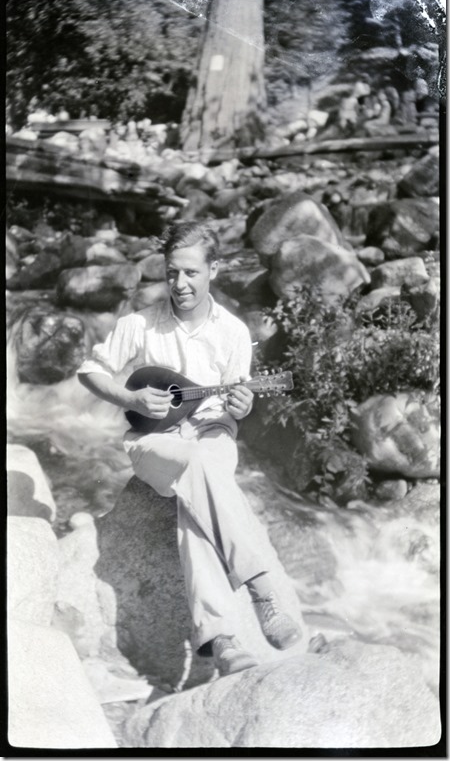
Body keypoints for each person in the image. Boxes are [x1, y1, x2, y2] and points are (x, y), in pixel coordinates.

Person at [77, 221, 302, 676]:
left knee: (195, 488)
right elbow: (89, 370)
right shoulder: (140, 324)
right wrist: (130, 398)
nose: (180, 284)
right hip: (153, 441)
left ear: (214, 270)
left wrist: (242, 404)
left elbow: (237, 405)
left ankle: (221, 640)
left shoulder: (235, 333)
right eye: (172, 272)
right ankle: (260, 585)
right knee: (194, 468)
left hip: (212, 433)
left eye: (192, 273)